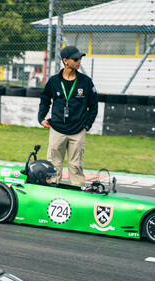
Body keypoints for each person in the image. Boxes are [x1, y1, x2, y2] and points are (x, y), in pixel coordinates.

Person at [38, 45, 98, 187]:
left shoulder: (86, 81)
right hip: (57, 129)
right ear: (65, 61)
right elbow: (45, 100)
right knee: (53, 166)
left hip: (78, 131)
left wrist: (87, 125)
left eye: (80, 58)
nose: (79, 61)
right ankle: (52, 194)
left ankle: (77, 197)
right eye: (76, 59)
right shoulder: (54, 81)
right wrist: (41, 118)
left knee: (76, 166)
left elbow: (94, 106)